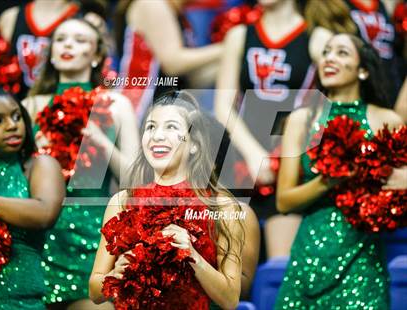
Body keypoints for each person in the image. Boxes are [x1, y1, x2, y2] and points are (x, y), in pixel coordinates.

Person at [275, 33, 405, 309]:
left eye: (342, 53)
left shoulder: (388, 120)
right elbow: (284, 201)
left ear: (363, 70)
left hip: (364, 262)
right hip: (308, 259)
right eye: (326, 52)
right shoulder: (301, 120)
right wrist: (328, 181)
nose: (329, 58)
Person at [89, 90, 245, 309]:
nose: (157, 136)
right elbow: (95, 292)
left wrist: (193, 256)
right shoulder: (122, 201)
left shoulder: (221, 205)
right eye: (150, 127)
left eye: (171, 127)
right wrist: (117, 273)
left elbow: (230, 300)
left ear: (194, 145)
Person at [23, 18, 140, 309]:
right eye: (61, 39)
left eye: (80, 40)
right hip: (40, 239)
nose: (68, 45)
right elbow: (14, 179)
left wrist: (100, 139)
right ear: (50, 53)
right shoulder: (29, 106)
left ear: (98, 55)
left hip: (95, 240)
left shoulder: (116, 103)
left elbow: (137, 182)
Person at [214, 0, 316, 258]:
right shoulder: (239, 34)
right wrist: (253, 154)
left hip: (289, 164)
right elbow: (223, 105)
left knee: (279, 268)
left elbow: (328, 104)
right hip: (240, 156)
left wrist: (284, 156)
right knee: (231, 269)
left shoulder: (316, 36)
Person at [0, 84, 65, 309]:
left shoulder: (38, 166)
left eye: (16, 116)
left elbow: (43, 214)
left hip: (24, 302)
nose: (13, 125)